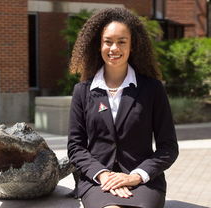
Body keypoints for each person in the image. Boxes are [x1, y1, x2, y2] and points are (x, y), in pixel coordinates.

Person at [67, 8, 179, 208]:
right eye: (108, 41)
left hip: (144, 181)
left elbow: (168, 147)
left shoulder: (152, 89)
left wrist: (135, 176)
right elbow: (76, 147)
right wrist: (104, 175)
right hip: (98, 180)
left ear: (132, 45)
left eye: (122, 41)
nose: (114, 48)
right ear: (99, 44)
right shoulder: (82, 91)